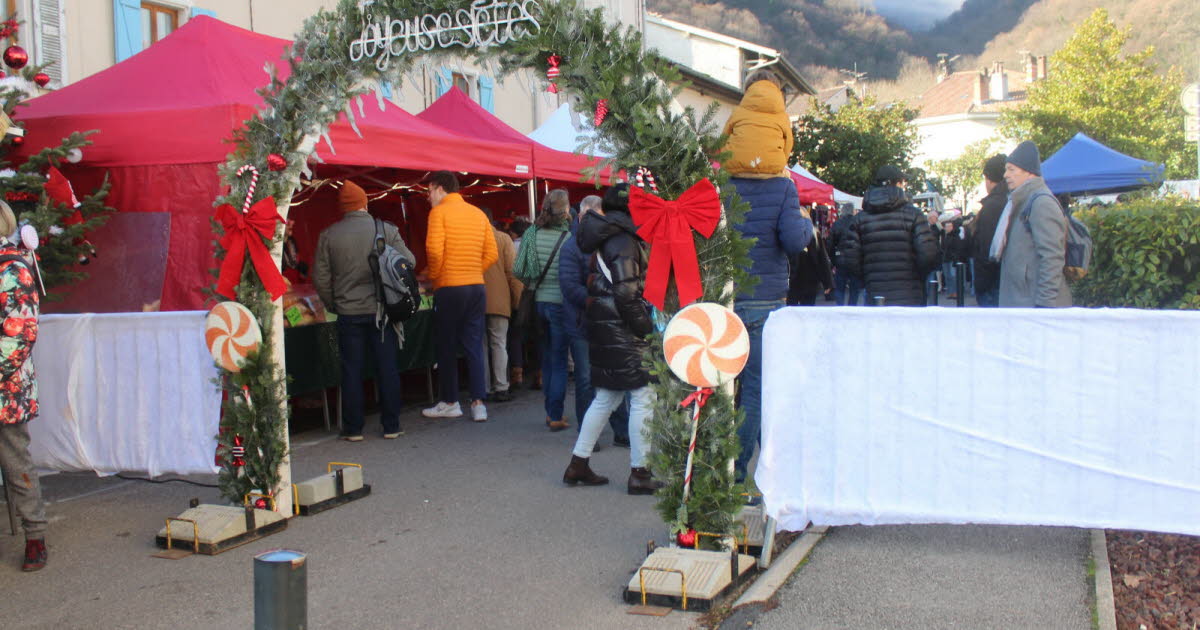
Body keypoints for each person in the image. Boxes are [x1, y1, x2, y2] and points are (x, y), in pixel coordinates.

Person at [562, 184, 659, 494]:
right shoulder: (625, 240)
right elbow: (627, 293)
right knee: (643, 396)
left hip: (605, 327)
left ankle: (578, 464)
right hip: (623, 331)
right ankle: (639, 473)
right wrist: (648, 330)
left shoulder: (605, 237)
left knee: (606, 397)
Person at [728, 164, 813, 482]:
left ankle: (772, 469)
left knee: (730, 390)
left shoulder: (725, 184)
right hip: (765, 298)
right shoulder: (783, 187)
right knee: (757, 391)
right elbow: (794, 241)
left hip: (728, 297)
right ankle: (737, 472)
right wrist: (806, 224)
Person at [314, 181, 414, 441]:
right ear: (364, 203)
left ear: (343, 208)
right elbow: (409, 263)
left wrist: (332, 303)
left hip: (348, 311)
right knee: (387, 367)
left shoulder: (328, 234)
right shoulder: (386, 230)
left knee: (351, 370)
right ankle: (392, 425)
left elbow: (321, 278)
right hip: (382, 310)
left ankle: (353, 428)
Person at [421, 171, 498, 421]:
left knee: (446, 345)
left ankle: (450, 401)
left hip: (450, 286)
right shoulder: (477, 214)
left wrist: (436, 277)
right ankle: (478, 403)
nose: (428, 196)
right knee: (474, 344)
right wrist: (474, 270)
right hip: (476, 286)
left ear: (439, 188)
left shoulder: (439, 213)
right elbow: (492, 254)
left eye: (429, 191)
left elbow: (433, 250)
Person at [560, 195, 630, 447]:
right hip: (583, 323)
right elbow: (569, 286)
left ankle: (622, 430)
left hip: (610, 321)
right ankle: (588, 434)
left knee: (617, 376)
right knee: (587, 379)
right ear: (582, 215)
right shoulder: (571, 246)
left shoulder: (608, 241)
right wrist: (600, 302)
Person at [0, 202, 47, 571]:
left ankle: (35, 535)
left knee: (16, 463)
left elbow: (19, 335)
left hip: (6, 386)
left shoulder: (13, 269)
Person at [513, 190, 571, 430]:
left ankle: (550, 410)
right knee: (558, 360)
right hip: (560, 304)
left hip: (538, 303)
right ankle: (555, 414)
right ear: (565, 210)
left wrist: (534, 282)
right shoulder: (570, 236)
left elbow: (519, 269)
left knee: (546, 358)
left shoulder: (531, 233)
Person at [840, 166, 939, 307]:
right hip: (909, 293)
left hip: (875, 291)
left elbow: (851, 257)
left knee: (878, 328)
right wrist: (917, 277)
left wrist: (867, 278)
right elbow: (928, 253)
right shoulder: (914, 215)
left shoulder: (860, 219)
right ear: (898, 184)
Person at [993, 141, 1072, 307]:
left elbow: (1052, 257)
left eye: (1011, 169)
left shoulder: (1041, 202)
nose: (1006, 175)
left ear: (1029, 173)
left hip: (1033, 305)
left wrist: (1044, 305)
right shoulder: (1022, 201)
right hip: (1025, 302)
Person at [481, 208, 522, 403]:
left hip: (475, 299)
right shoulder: (503, 239)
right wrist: (517, 300)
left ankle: (483, 388)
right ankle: (502, 387)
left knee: (480, 346)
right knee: (499, 343)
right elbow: (513, 273)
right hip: (499, 299)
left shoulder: (469, 240)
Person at [721, 71, 793, 179]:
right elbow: (788, 145)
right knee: (788, 181)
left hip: (736, 169)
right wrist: (780, 163)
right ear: (776, 90)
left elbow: (723, 139)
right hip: (771, 169)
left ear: (748, 90)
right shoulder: (782, 116)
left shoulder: (737, 112)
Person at [970, 154, 1008, 307]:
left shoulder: (992, 206)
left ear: (990, 179)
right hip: (1001, 279)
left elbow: (987, 248)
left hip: (991, 282)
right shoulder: (1009, 199)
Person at [786, 224, 834, 306]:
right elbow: (822, 260)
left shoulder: (788, 234)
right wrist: (827, 282)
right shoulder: (813, 234)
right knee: (807, 310)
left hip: (793, 281)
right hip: (810, 281)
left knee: (791, 311)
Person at [829, 204, 863, 305]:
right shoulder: (858, 223)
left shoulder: (837, 224)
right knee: (854, 289)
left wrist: (833, 259)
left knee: (840, 288)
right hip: (855, 260)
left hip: (840, 259)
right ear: (853, 211)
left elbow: (830, 244)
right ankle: (851, 310)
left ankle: (840, 309)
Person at [939, 211, 968, 299]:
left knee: (953, 276)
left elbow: (958, 248)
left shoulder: (955, 236)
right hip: (945, 259)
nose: (948, 228)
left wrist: (955, 257)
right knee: (948, 276)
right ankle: (951, 292)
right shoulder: (944, 236)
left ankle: (955, 292)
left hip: (952, 259)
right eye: (946, 227)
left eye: (949, 226)